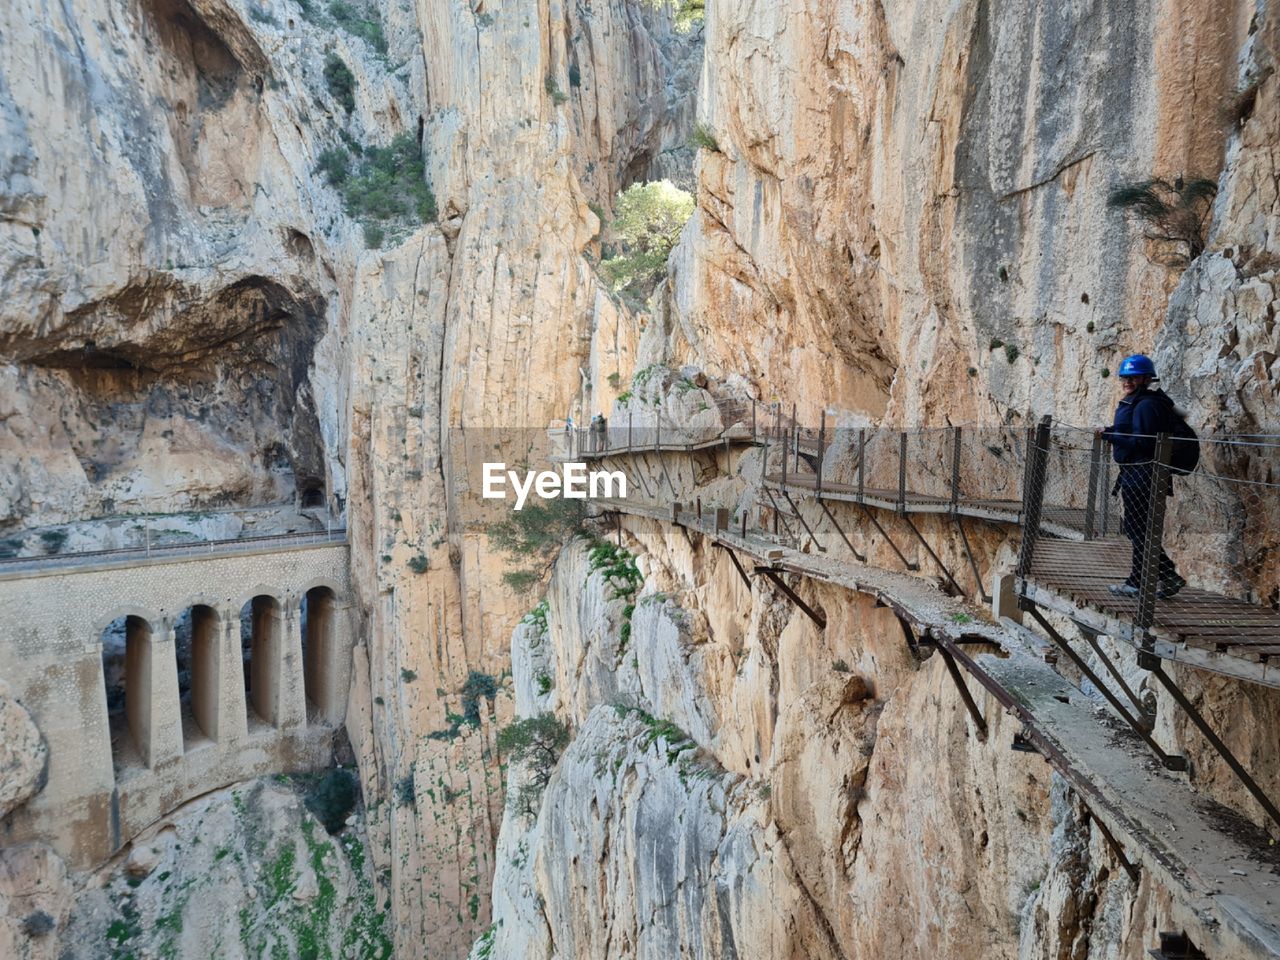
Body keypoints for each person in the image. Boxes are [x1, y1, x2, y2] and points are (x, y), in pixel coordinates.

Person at [1097, 354, 1187, 599]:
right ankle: (1167, 576)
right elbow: (1134, 431)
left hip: (1143, 475)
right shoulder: (1141, 401)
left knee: (1139, 530)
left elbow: (1143, 442)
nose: (1127, 381)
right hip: (1138, 473)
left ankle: (1140, 582)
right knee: (1139, 529)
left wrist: (1110, 437)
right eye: (1124, 377)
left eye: (1133, 377)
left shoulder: (1146, 405)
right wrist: (1111, 430)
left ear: (1146, 378)